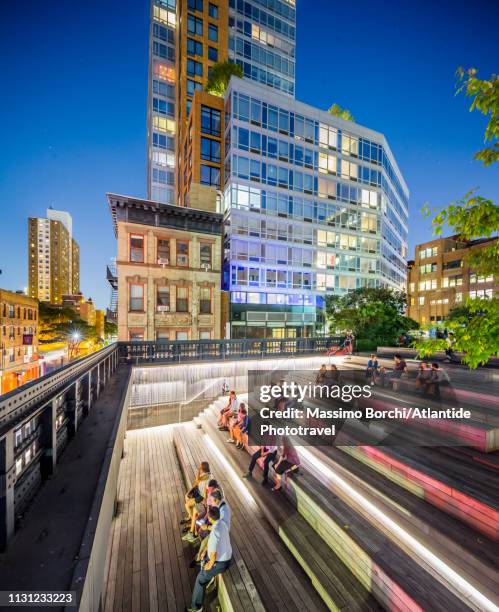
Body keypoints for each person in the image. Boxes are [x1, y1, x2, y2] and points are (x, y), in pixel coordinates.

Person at [188, 506, 232, 612]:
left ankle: (196, 607)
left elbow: (213, 555)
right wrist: (206, 528)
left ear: (210, 519)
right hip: (226, 555)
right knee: (204, 558)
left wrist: (210, 565)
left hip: (221, 563)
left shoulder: (213, 535)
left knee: (200, 579)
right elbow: (213, 530)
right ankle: (205, 569)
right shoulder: (222, 523)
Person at [181, 462, 212, 535]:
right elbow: (197, 482)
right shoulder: (205, 474)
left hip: (202, 496)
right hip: (199, 491)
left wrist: (198, 470)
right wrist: (191, 490)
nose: (199, 468)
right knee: (186, 496)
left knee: (187, 505)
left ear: (202, 469)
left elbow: (197, 479)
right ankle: (190, 517)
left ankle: (192, 520)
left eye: (200, 467)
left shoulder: (207, 476)